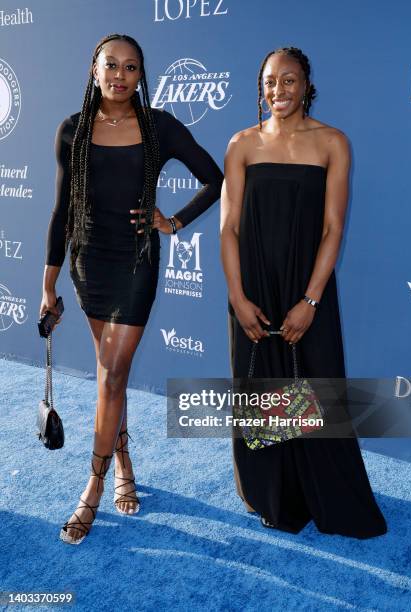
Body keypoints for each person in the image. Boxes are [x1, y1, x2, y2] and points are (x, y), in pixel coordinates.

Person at [40, 33, 223, 545]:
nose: (120, 75)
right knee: (111, 379)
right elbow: (61, 213)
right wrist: (47, 285)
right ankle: (123, 457)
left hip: (136, 263)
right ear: (94, 70)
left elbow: (216, 178)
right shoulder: (71, 131)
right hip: (86, 265)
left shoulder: (159, 126)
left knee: (111, 374)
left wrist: (176, 221)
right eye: (111, 65)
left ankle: (93, 485)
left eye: (131, 68)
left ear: (142, 76)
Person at [220, 47, 387, 538]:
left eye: (288, 80)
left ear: (306, 83)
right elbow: (228, 229)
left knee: (314, 388)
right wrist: (237, 297)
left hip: (306, 288)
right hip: (252, 287)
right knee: (264, 391)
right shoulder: (241, 144)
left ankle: (326, 493)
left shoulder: (333, 142)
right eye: (270, 81)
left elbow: (333, 227)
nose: (278, 91)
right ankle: (273, 492)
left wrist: (311, 300)